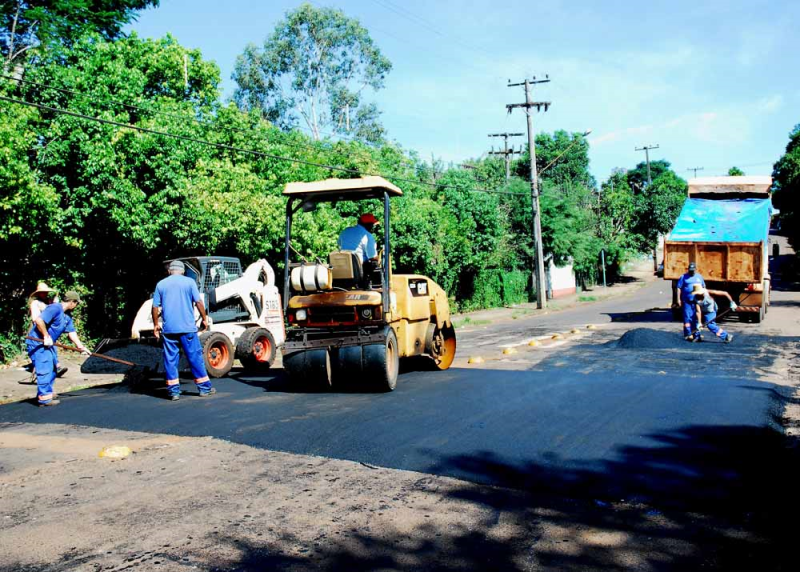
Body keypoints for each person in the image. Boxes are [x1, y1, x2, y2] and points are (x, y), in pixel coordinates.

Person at [152, 260, 215, 401]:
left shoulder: (161, 284)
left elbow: (155, 307)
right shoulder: (189, 282)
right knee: (195, 357)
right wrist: (204, 318)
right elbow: (198, 302)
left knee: (170, 360)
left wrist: (156, 324)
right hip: (187, 329)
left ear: (169, 271)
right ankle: (204, 389)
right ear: (183, 271)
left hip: (169, 330)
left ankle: (174, 392)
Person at [26, 291, 91, 407]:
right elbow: (39, 321)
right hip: (38, 343)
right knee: (45, 368)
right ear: (72, 302)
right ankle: (44, 399)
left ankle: (47, 392)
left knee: (53, 368)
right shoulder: (55, 308)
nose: (76, 306)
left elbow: (71, 332)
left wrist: (81, 347)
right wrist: (46, 336)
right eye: (76, 303)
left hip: (49, 344)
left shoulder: (67, 316)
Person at [28, 283, 68, 378]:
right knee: (42, 349)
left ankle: (56, 366)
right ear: (39, 293)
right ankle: (52, 367)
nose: (44, 294)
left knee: (51, 346)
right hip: (39, 328)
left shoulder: (49, 302)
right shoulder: (35, 303)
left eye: (45, 292)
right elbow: (35, 318)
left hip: (48, 328)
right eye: (42, 292)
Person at [338, 214, 379, 287]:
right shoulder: (367, 236)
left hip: (342, 268)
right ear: (368, 225)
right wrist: (379, 258)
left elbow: (339, 244)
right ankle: (367, 286)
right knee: (374, 263)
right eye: (372, 224)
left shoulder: (345, 231)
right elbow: (372, 257)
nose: (373, 227)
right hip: (358, 270)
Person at [676, 262, 706, 341]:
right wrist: (678, 299)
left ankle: (697, 334)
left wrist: (704, 298)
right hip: (687, 301)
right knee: (687, 317)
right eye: (690, 270)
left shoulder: (699, 277)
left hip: (696, 301)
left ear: (696, 269)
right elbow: (679, 288)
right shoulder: (683, 277)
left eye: (693, 270)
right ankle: (688, 334)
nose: (691, 272)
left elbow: (703, 287)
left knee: (696, 317)